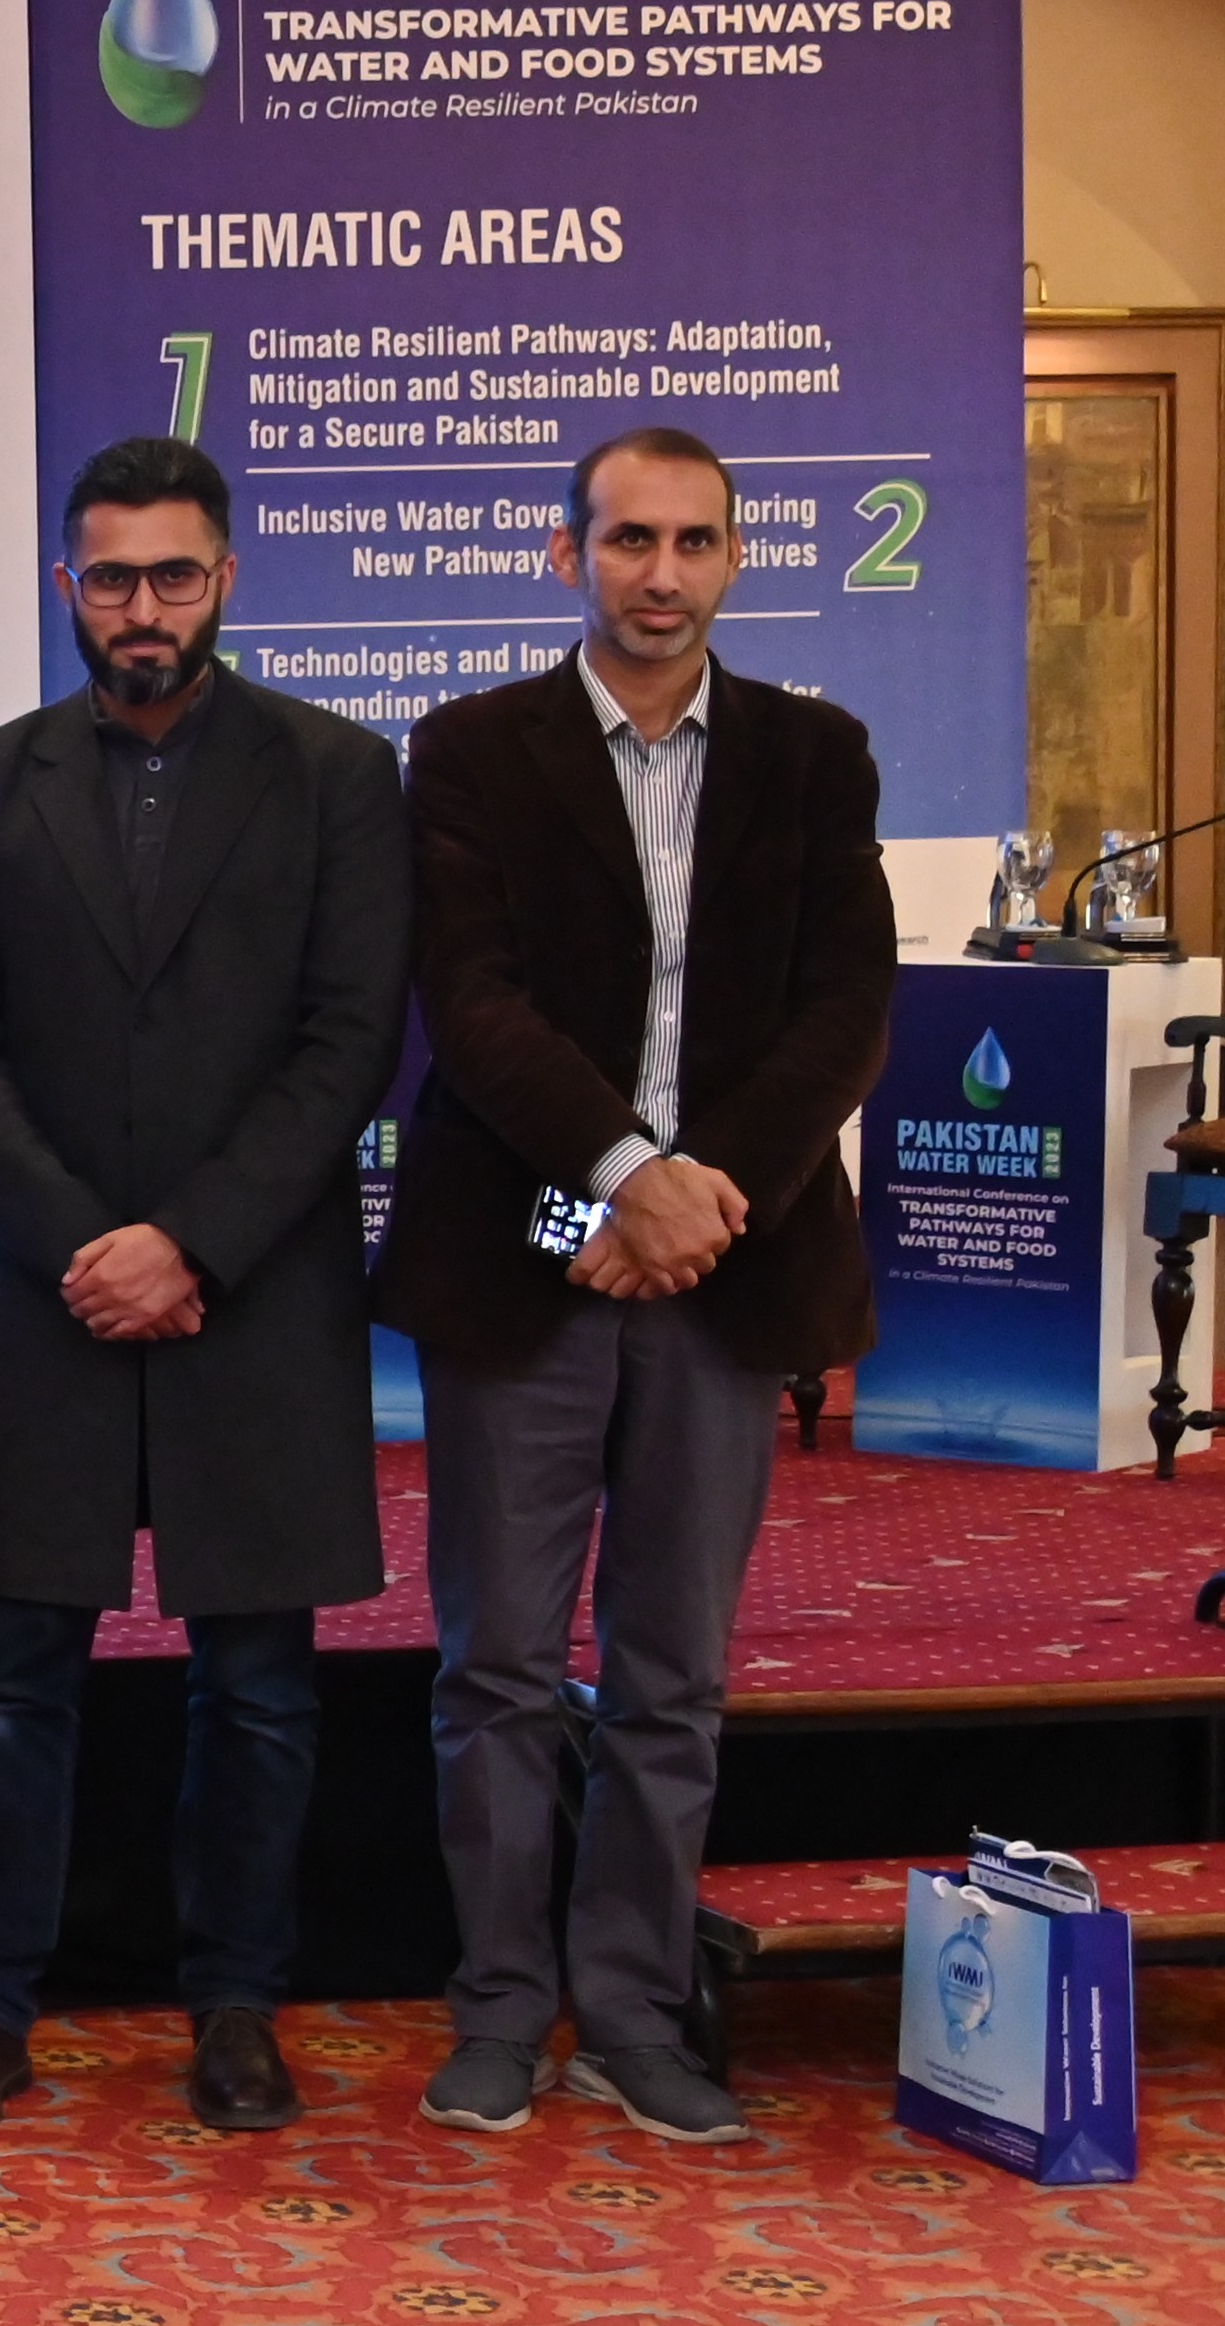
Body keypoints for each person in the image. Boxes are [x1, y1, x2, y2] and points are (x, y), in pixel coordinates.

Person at [379, 429, 893, 2146]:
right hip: (523, 1256)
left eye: (690, 540)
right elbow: (472, 1001)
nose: (656, 572)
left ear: (734, 557)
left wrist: (696, 1196)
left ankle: (635, 2008)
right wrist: (622, 1174)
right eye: (624, 539)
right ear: (564, 552)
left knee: (671, 1671)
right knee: (496, 1668)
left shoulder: (815, 756)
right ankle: (497, 2007)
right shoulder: (467, 751)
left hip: (721, 1269)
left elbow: (842, 1010)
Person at [0, 436, 410, 2139]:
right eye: (107, 576)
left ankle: (236, 2002)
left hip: (249, 1286)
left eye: (169, 575)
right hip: (53, 1285)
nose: (138, 608)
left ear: (225, 579)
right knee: (7, 1669)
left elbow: (349, 1038)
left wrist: (186, 1239)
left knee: (257, 1677)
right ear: (63, 582)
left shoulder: (335, 774)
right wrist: (80, 1245)